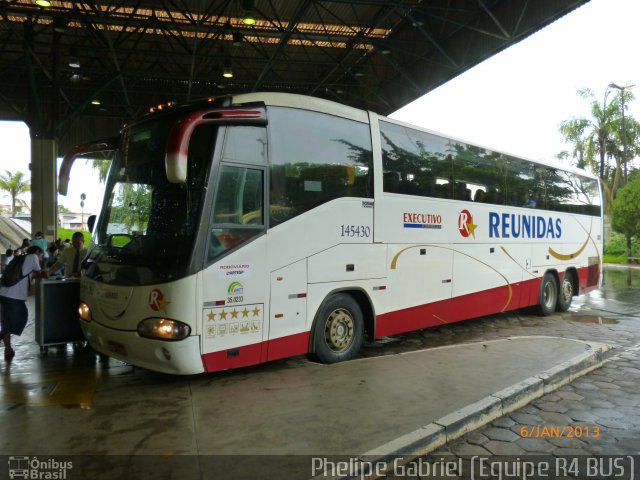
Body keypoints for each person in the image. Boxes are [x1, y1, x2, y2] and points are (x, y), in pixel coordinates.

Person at [0, 246, 49, 361]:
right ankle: (2, 334)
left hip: (3, 293)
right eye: (41, 256)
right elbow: (40, 273)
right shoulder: (33, 257)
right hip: (14, 296)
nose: (41, 259)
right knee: (22, 316)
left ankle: (8, 349)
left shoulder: (20, 259)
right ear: (37, 252)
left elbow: (28, 276)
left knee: (6, 322)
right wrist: (46, 273)